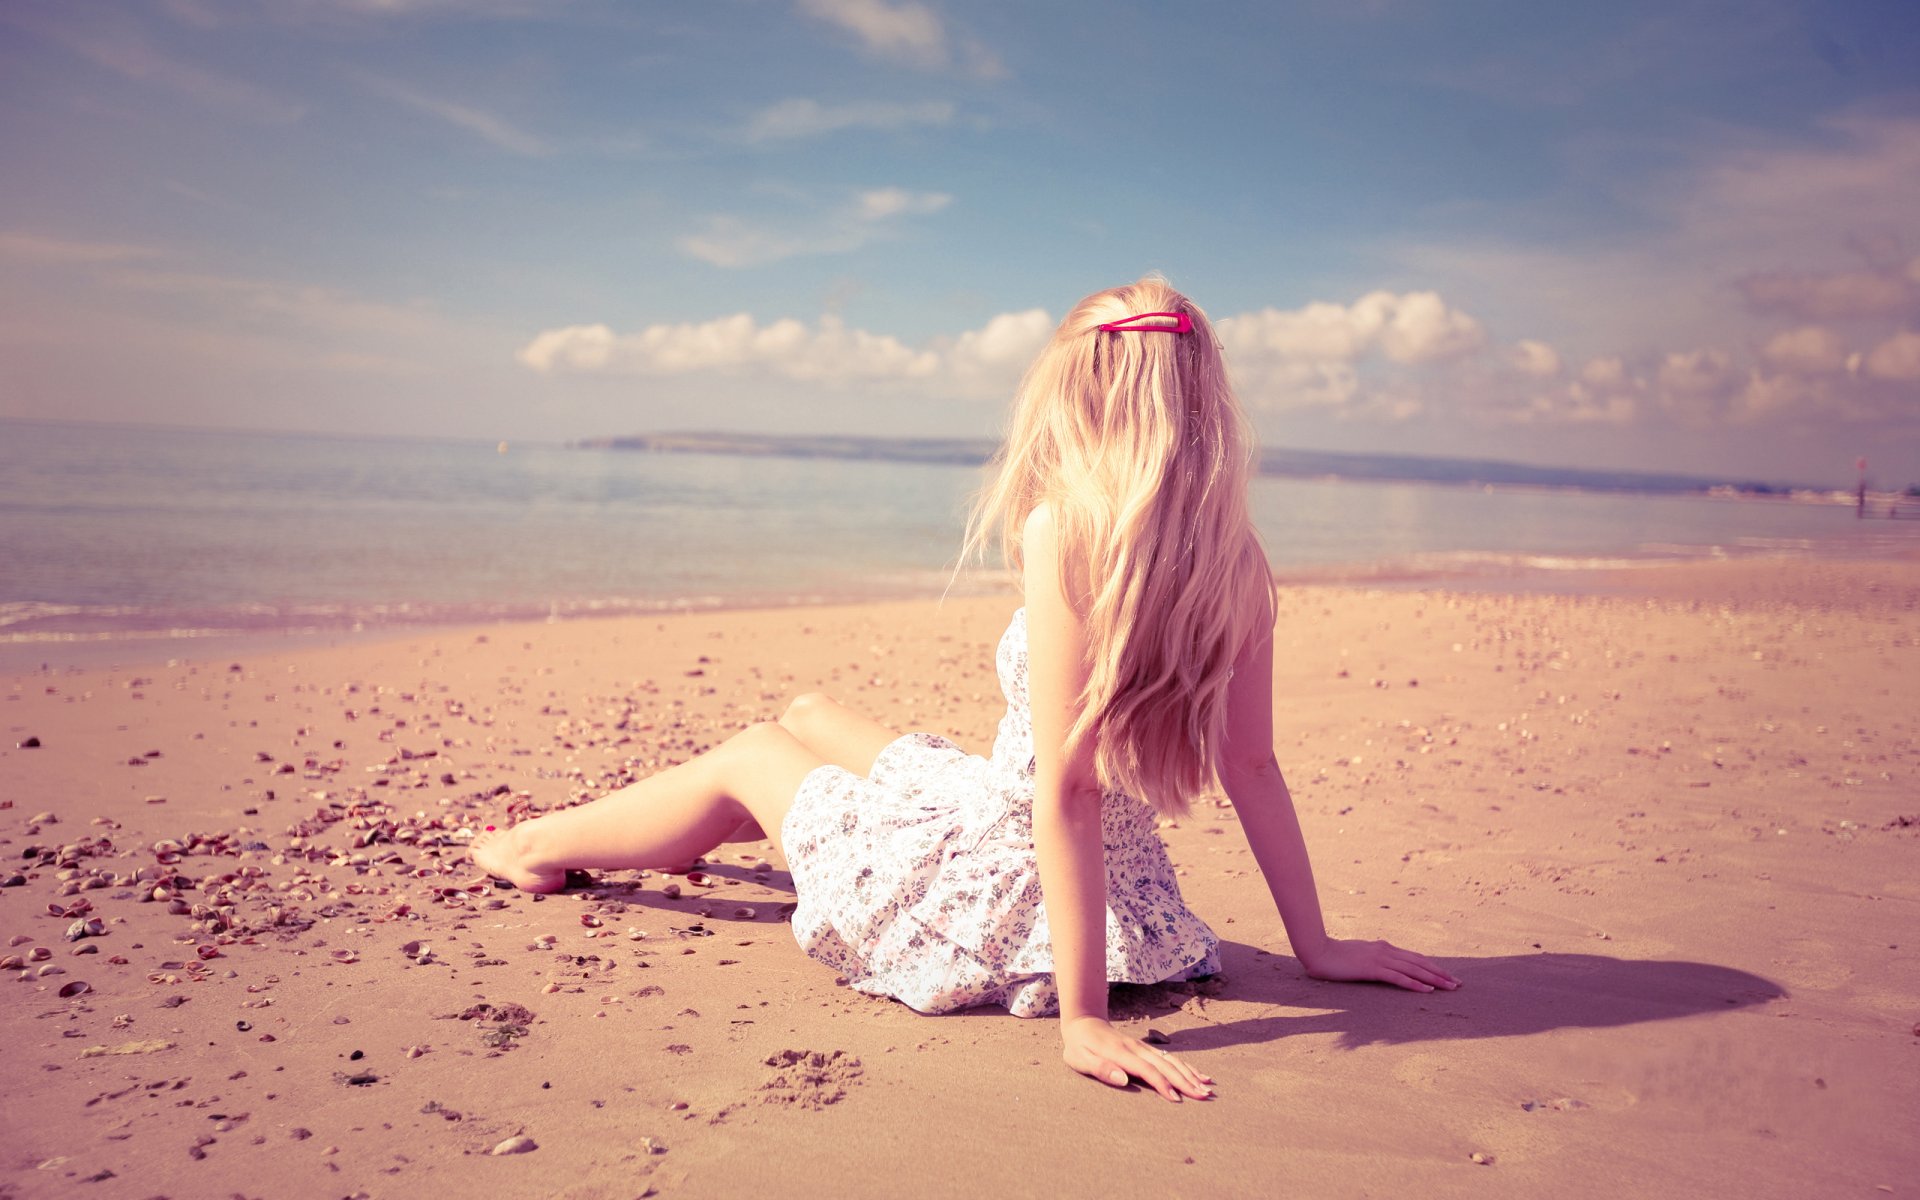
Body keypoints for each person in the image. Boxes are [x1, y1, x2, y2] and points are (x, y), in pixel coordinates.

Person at [470, 277, 1459, 1102]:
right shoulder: (1233, 554)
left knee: (751, 753)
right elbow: (1252, 764)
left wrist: (1082, 1020)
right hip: (1119, 880)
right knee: (812, 715)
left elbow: (1067, 791)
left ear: (1082, 395)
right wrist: (1316, 946)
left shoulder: (1065, 530)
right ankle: (710, 830)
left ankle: (527, 847)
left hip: (1010, 875)